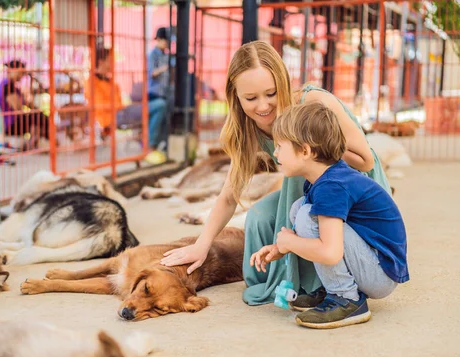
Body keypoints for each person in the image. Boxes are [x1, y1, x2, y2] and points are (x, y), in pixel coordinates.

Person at [160, 40, 391, 306]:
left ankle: (325, 286)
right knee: (258, 215)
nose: (263, 106)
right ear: (235, 95)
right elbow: (229, 194)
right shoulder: (248, 127)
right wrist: (201, 245)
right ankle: (273, 280)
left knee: (296, 188)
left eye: (271, 93)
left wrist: (310, 147)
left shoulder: (313, 102)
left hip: (352, 193)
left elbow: (364, 162)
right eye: (251, 98)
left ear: (282, 83)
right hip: (309, 189)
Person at [250, 102, 408, 328]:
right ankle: (336, 288)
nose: (275, 154)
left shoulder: (331, 186)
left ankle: (346, 298)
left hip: (380, 274)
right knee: (300, 209)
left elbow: (330, 252)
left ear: (305, 151)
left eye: (279, 147)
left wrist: (291, 242)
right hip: (371, 262)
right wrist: (280, 247)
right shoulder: (325, 179)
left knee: (306, 215)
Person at [84, 49, 168, 151]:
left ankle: (149, 142)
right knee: (159, 105)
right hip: (113, 116)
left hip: (121, 111)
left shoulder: (110, 81)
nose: (113, 63)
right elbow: (102, 105)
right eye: (110, 60)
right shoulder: (92, 83)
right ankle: (150, 145)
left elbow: (118, 100)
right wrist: (122, 105)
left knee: (157, 106)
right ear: (101, 61)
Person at [0, 60, 49, 149]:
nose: (22, 76)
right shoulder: (8, 86)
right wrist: (25, 101)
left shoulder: (12, 86)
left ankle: (35, 142)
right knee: (38, 117)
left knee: (39, 116)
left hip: (14, 122)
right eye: (21, 72)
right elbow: (17, 108)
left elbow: (27, 106)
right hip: (12, 124)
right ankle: (38, 142)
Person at [145, 26, 173, 164]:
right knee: (160, 107)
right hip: (152, 96)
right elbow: (152, 73)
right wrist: (165, 68)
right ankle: (151, 145)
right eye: (166, 41)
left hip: (165, 95)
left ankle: (161, 144)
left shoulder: (167, 55)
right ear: (160, 39)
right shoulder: (152, 55)